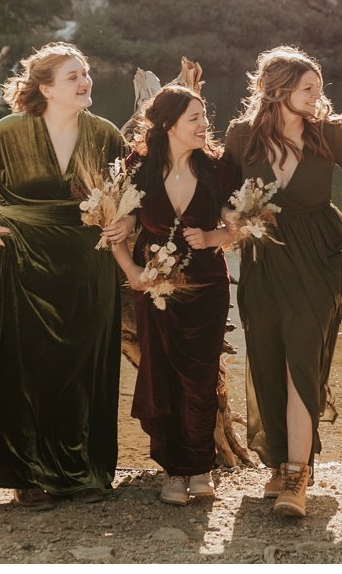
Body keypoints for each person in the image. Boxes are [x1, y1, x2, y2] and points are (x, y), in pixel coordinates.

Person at [0, 42, 127, 510]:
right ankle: (26, 475)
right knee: (23, 367)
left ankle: (80, 470)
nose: (85, 81)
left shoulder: (104, 134)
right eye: (72, 76)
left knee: (81, 368)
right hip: (20, 263)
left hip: (87, 267)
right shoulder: (8, 131)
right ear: (45, 88)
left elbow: (130, 193)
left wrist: (128, 222)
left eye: (85, 73)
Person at [224, 46, 342, 518]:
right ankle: (279, 461)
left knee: (301, 359)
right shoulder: (242, 136)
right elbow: (217, 193)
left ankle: (298, 473)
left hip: (320, 258)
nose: (317, 97)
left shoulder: (331, 133)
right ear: (278, 90)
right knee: (265, 355)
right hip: (263, 260)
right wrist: (233, 220)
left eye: (318, 88)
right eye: (308, 89)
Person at [104, 84, 242, 506]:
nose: (205, 125)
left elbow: (241, 226)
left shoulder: (219, 168)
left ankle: (199, 468)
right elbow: (116, 225)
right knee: (160, 376)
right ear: (168, 125)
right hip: (156, 290)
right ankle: (172, 471)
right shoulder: (139, 167)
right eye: (194, 118)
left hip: (206, 288)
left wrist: (213, 235)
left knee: (200, 379)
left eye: (204, 117)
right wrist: (132, 272)